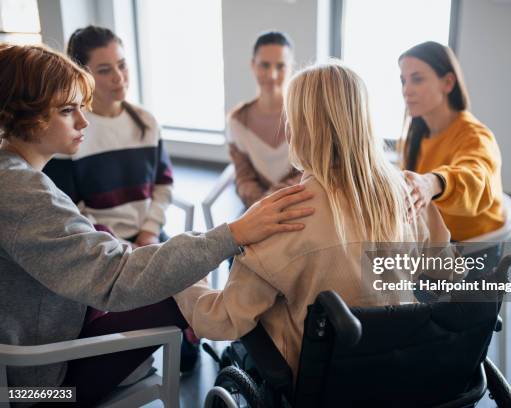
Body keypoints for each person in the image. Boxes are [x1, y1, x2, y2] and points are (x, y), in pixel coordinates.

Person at [0, 43, 314, 406]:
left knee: (126, 250)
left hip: (46, 338)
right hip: (36, 390)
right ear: (26, 115)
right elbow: (115, 275)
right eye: (68, 111)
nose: (84, 121)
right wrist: (235, 234)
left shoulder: (16, 177)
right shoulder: (23, 193)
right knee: (178, 297)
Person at [174, 62, 452, 378]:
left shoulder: (284, 217)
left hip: (318, 378)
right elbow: (445, 270)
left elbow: (222, 320)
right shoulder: (410, 193)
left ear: (297, 130)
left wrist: (186, 275)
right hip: (399, 367)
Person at [44, 25, 172, 247]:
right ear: (82, 75)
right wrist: (122, 246)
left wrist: (151, 231)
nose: (119, 77)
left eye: (122, 65)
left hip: (150, 239)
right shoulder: (68, 130)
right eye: (104, 70)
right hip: (100, 247)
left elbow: (164, 183)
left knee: (201, 278)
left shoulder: (147, 122)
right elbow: (69, 207)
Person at [397, 41, 504, 244]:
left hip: (471, 250)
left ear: (448, 83)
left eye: (417, 79)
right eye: (403, 81)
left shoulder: (475, 135)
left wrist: (432, 183)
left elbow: (476, 179)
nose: (406, 90)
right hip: (434, 240)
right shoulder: (415, 135)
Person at [227, 31, 301, 207]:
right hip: (257, 211)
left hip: (302, 206)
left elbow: (313, 173)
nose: (272, 75)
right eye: (264, 65)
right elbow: (243, 177)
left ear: (291, 67)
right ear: (253, 65)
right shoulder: (237, 121)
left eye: (281, 66)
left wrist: (273, 200)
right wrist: (262, 206)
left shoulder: (306, 116)